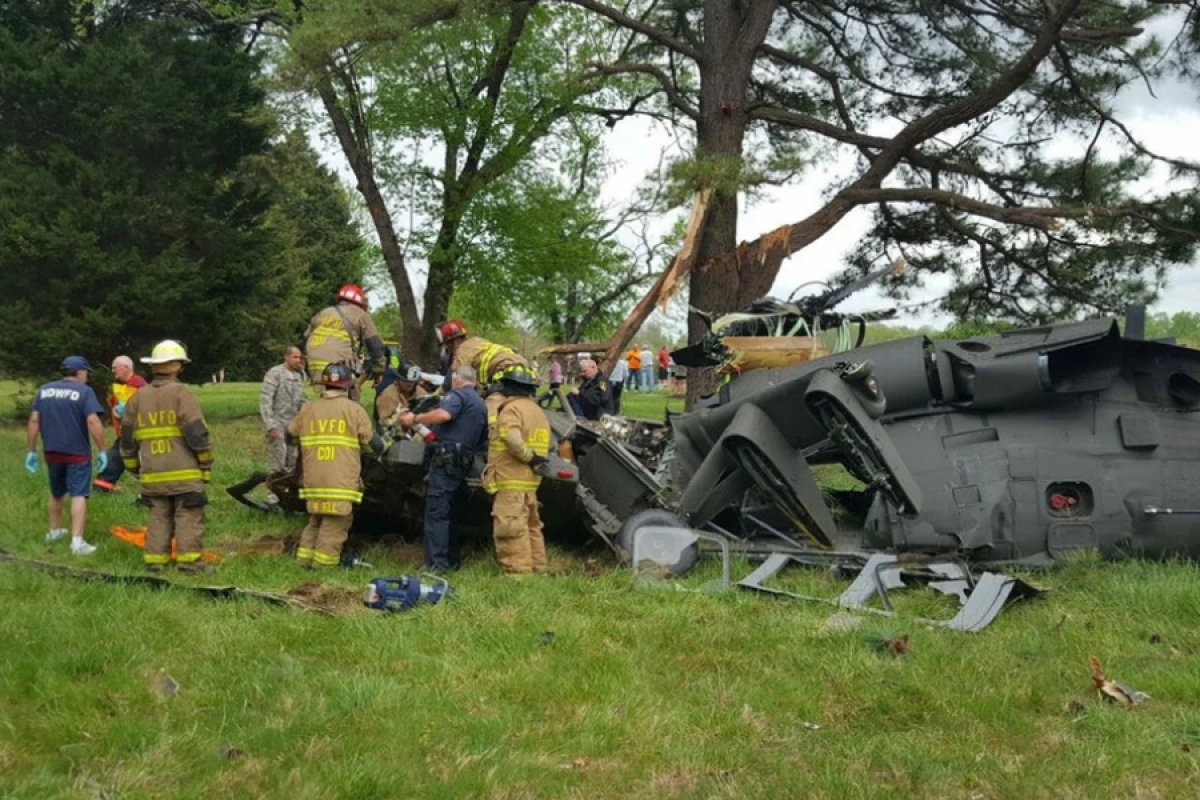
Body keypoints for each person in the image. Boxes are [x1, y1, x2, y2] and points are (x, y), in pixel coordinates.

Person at [119, 340, 215, 573]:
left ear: (154, 366)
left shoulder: (137, 398)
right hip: (184, 473)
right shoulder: (182, 394)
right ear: (176, 366)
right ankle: (190, 564)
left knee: (158, 517)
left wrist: (134, 468)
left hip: (152, 474)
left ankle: (156, 563)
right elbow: (196, 433)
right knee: (188, 516)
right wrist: (205, 463)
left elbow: (127, 440)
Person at [287, 364, 384, 568]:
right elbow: (373, 445)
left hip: (314, 480)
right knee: (336, 524)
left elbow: (290, 436)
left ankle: (303, 561)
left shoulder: (308, 409)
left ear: (324, 385)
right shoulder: (354, 410)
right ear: (347, 385)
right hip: (340, 482)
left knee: (316, 520)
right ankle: (324, 566)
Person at [399, 366, 486, 572]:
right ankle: (451, 561)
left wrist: (415, 419)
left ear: (457, 380)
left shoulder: (458, 395)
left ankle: (436, 566)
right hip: (463, 462)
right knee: (451, 513)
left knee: (436, 513)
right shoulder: (480, 404)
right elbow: (480, 439)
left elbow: (444, 415)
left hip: (446, 462)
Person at [26, 356, 108, 555]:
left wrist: (31, 450)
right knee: (79, 494)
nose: (87, 375)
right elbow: (93, 421)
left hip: (52, 451)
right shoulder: (84, 391)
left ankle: (54, 532)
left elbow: (35, 420)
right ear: (79, 372)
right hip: (77, 452)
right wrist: (102, 450)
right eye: (86, 372)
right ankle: (77, 543)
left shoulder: (45, 390)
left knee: (56, 492)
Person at [483, 365, 550, 575]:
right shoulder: (536, 411)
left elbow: (511, 438)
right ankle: (538, 568)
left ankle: (518, 575)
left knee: (510, 527)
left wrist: (529, 458)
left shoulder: (511, 409)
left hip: (511, 478)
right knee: (531, 526)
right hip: (529, 481)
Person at [303, 283, 386, 403]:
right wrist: (378, 373)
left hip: (315, 367)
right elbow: (376, 348)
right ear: (361, 302)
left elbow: (306, 337)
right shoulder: (361, 315)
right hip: (339, 368)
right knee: (351, 406)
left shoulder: (323, 313)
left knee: (324, 402)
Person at [435, 320, 529, 424]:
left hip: (507, 372)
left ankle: (492, 431)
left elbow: (452, 379)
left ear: (454, 342)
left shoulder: (463, 350)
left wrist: (437, 394)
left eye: (447, 346)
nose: (448, 350)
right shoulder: (479, 342)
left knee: (488, 414)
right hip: (525, 371)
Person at [93, 355, 147, 492]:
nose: (113, 371)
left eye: (115, 367)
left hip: (138, 432)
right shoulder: (123, 386)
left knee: (121, 457)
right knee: (116, 456)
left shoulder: (138, 384)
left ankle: (103, 485)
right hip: (126, 432)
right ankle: (102, 486)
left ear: (126, 367)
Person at [259, 346, 307, 498]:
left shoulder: (299, 376)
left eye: (299, 357)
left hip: (293, 425)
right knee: (278, 461)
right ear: (286, 357)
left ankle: (288, 494)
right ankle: (273, 495)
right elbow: (266, 401)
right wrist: (270, 426)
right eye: (295, 357)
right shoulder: (275, 373)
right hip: (277, 422)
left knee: (293, 460)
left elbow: (301, 400)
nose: (298, 360)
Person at [376, 364, 425, 429]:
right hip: (394, 430)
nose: (409, 384)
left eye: (412, 381)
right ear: (398, 379)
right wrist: (399, 418)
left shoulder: (420, 392)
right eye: (406, 380)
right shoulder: (388, 396)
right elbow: (383, 423)